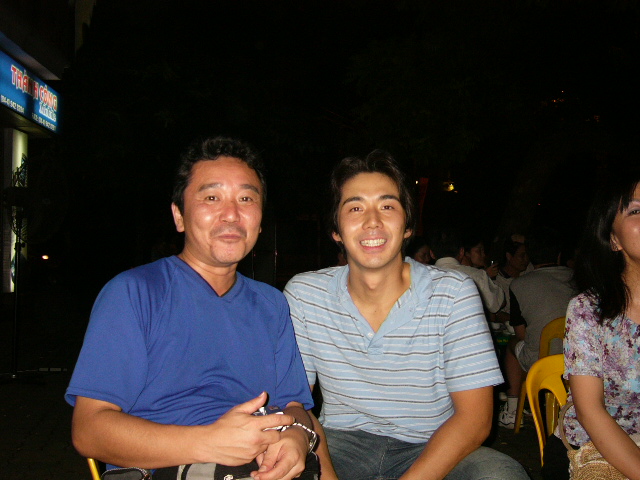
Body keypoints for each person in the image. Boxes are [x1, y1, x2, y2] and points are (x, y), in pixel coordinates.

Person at [65, 137, 317, 480]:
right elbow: (89, 431)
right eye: (212, 197)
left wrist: (299, 437)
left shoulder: (271, 304)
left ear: (260, 221)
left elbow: (294, 406)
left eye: (246, 198)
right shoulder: (135, 293)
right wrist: (210, 442)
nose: (232, 214)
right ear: (179, 215)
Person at [284, 150, 528, 480]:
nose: (372, 221)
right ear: (336, 230)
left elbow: (475, 419)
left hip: (433, 443)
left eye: (387, 206)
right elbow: (295, 405)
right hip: (341, 443)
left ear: (408, 225)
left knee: (501, 474)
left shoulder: (453, 293)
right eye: (355, 208)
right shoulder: (305, 295)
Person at [542, 170, 640, 480]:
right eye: (636, 211)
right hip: (594, 446)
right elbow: (591, 411)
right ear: (613, 239)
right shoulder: (588, 310)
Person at [498, 227, 577, 429]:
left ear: (531, 258)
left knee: (513, 344)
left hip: (542, 360)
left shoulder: (519, 284)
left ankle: (512, 409)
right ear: (558, 256)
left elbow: (521, 334)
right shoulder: (576, 279)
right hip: (576, 359)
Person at [429, 226, 506, 315]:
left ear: (432, 254)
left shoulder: (420, 277)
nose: (483, 255)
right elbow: (498, 303)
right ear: (462, 252)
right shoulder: (476, 275)